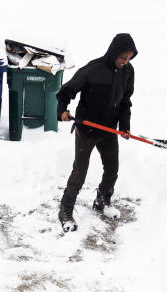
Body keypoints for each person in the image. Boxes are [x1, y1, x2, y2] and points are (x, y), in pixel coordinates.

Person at [55, 33, 137, 232]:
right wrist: (62, 111)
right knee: (79, 173)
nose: (125, 62)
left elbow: (125, 101)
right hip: (87, 129)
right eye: (122, 58)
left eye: (128, 59)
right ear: (113, 53)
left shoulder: (128, 72)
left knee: (112, 170)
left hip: (109, 129)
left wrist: (124, 126)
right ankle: (65, 209)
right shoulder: (93, 69)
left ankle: (102, 201)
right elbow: (66, 90)